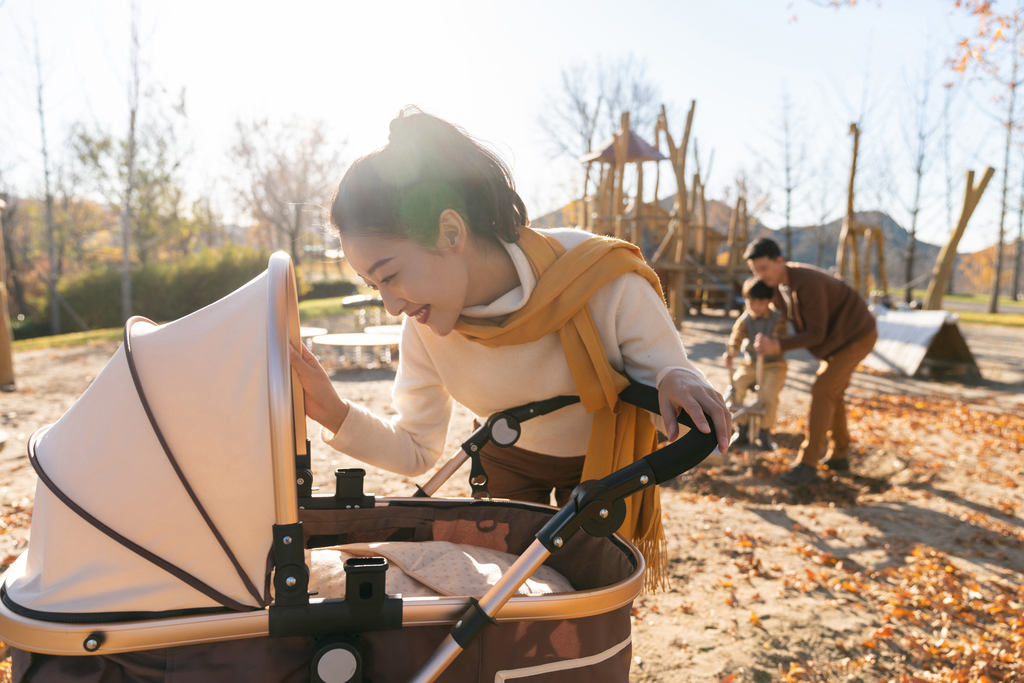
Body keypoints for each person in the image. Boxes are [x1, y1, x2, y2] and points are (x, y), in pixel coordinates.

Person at [290, 107, 730, 588]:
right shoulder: (425, 326)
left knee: (592, 592)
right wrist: (332, 412)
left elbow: (666, 371)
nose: (391, 305)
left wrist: (678, 376)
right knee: (515, 599)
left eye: (390, 275)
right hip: (506, 460)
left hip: (604, 464)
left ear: (451, 232)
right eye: (374, 286)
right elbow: (417, 449)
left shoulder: (598, 278)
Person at [744, 237, 877, 485]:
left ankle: (808, 463)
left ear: (780, 261)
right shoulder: (777, 286)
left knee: (822, 389)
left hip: (857, 336)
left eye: (764, 268)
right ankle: (839, 455)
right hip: (836, 343)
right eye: (755, 271)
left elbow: (817, 333)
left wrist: (777, 345)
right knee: (832, 394)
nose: (760, 275)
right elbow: (758, 306)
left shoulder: (808, 283)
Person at [723, 277, 788, 451]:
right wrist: (731, 352)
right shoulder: (746, 318)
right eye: (752, 302)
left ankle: (765, 433)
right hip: (751, 363)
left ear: (769, 301)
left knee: (768, 395)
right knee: (736, 387)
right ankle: (741, 429)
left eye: (761, 303)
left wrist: (769, 345)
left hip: (774, 365)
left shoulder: (777, 319)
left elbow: (780, 338)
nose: (756, 307)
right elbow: (736, 336)